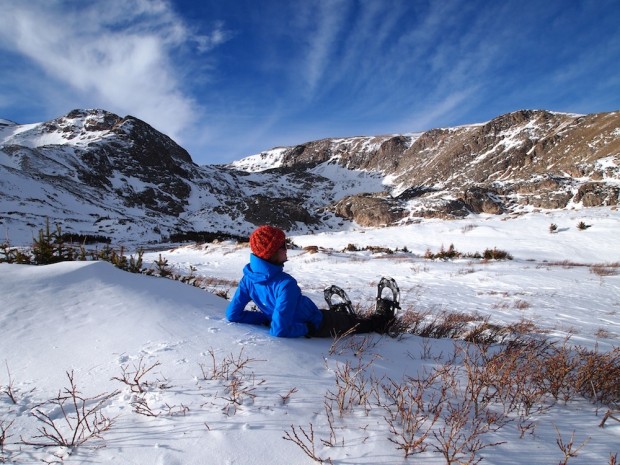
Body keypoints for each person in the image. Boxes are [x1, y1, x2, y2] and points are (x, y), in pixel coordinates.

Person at [226, 225, 395, 338]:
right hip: (317, 323)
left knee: (337, 317)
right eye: (283, 246)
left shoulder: (248, 278)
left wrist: (265, 318)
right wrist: (307, 328)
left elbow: (232, 315)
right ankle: (381, 321)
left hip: (302, 315)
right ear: (272, 253)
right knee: (355, 324)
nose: (287, 249)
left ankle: (342, 314)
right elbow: (279, 331)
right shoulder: (285, 285)